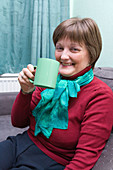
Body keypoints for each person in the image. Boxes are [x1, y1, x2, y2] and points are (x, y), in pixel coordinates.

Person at [0, 17, 113, 170]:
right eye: (59, 48)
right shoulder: (48, 77)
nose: (63, 56)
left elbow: (85, 157)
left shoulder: (100, 95)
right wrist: (26, 91)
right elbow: (18, 122)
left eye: (74, 49)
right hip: (21, 144)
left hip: (53, 161)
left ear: (91, 54)